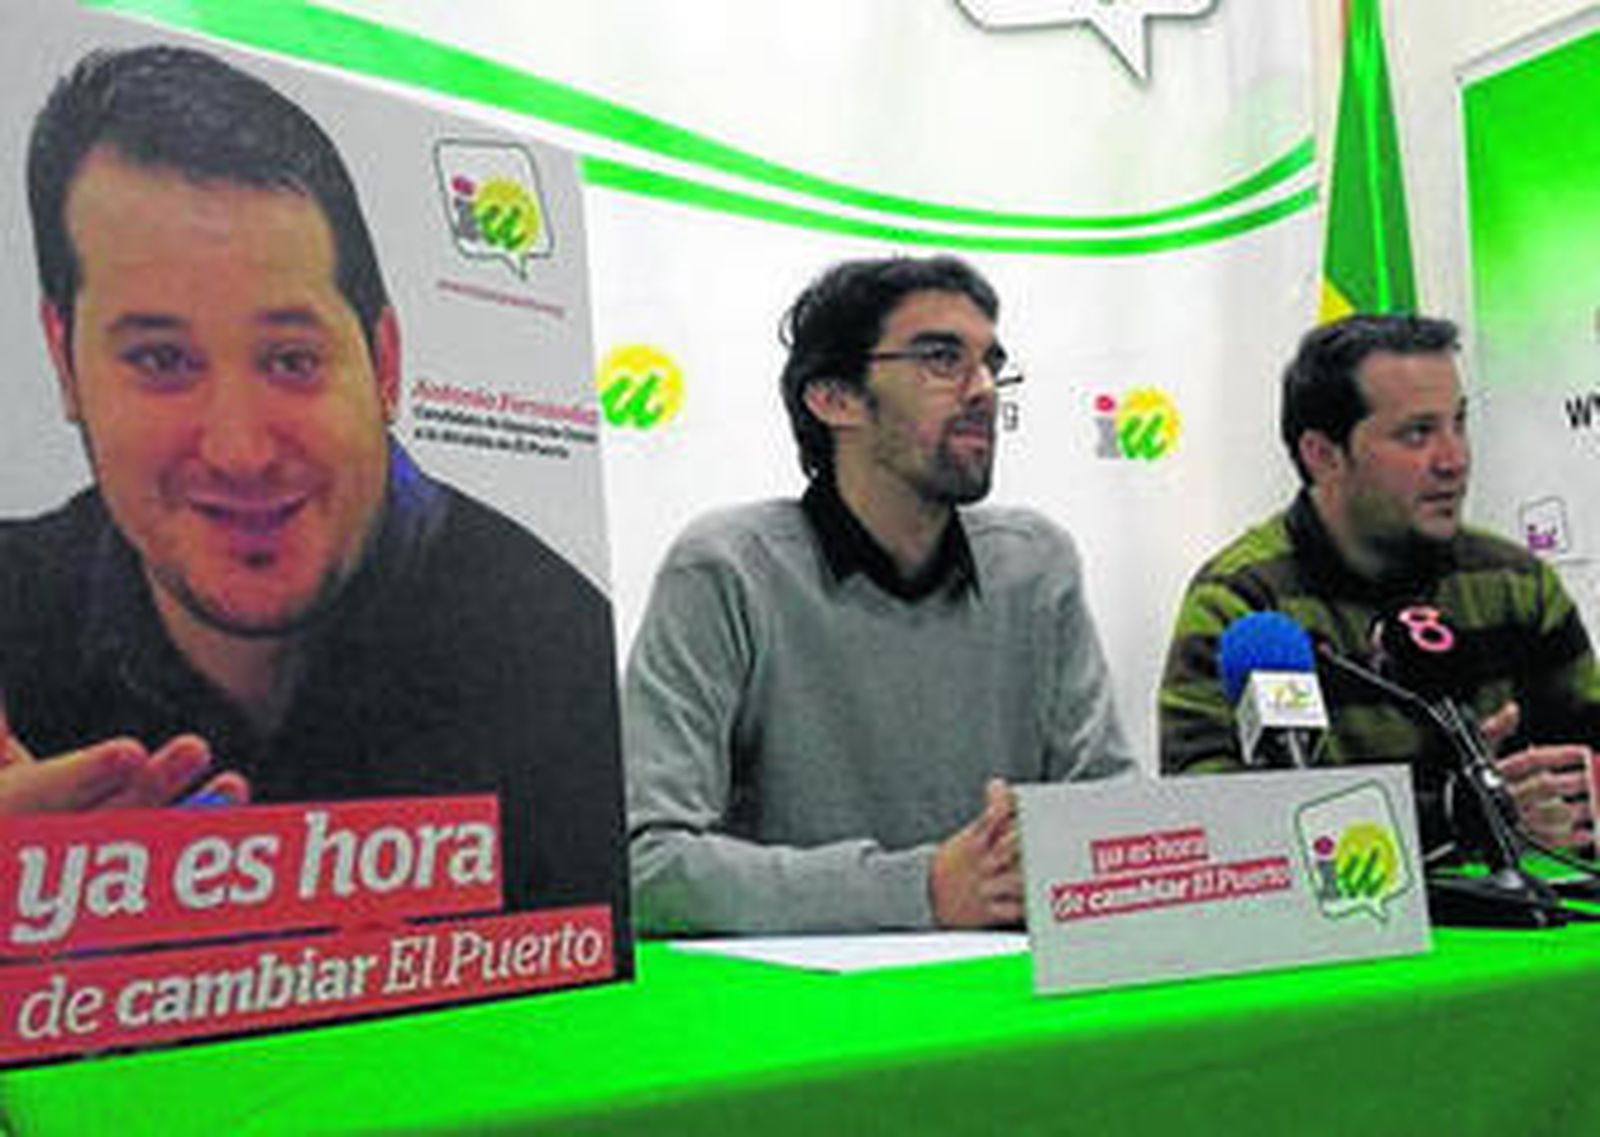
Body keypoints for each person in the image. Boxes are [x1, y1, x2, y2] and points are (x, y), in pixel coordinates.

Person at [2, 45, 625, 917]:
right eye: (161, 359)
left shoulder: (554, 650)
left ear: (384, 361)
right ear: (64, 361)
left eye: (291, 359)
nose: (240, 450)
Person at [625, 255, 1132, 934]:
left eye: (992, 362)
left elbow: (1116, 826)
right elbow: (644, 866)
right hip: (800, 1021)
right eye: (941, 359)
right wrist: (917, 888)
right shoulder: (725, 568)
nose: (983, 388)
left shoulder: (1037, 565)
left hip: (1011, 1010)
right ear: (835, 397)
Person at [1159, 314, 1598, 855]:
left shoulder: (1514, 582)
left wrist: (1571, 800)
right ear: (1322, 455)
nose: (1454, 460)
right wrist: (1456, 815)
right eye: (1417, 434)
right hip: (1335, 935)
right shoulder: (1242, 606)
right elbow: (1208, 830)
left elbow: (1585, 761)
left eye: (1458, 423)